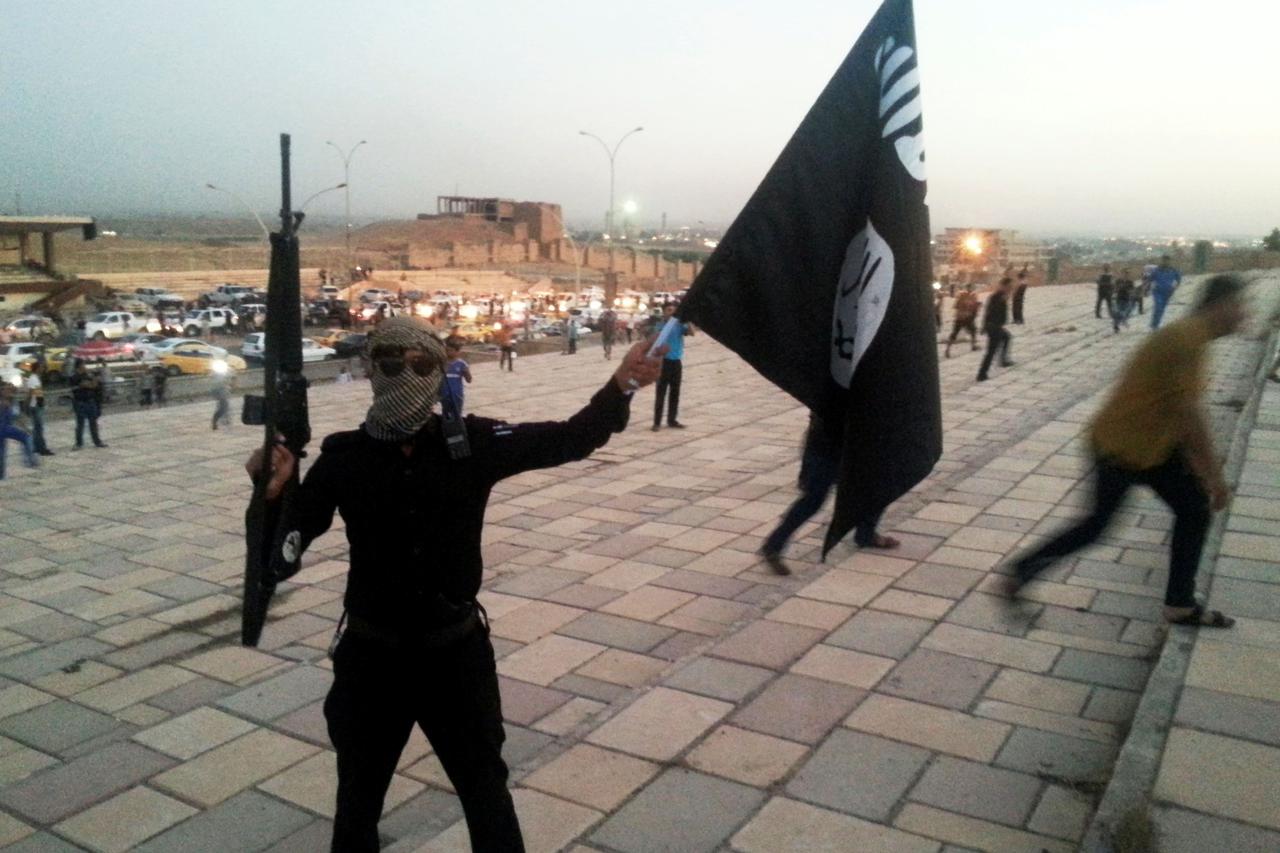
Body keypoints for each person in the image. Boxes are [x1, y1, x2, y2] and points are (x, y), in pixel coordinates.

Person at [244, 316, 664, 853]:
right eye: (391, 362)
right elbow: (281, 558)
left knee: (485, 791)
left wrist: (621, 384)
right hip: (373, 661)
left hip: (454, 655)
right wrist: (271, 496)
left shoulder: (473, 444)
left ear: (439, 371)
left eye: (420, 364)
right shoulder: (342, 461)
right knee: (358, 802)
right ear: (371, 369)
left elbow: (571, 438)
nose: (405, 373)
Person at [1004, 275, 1248, 628]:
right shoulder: (1187, 339)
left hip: (1145, 446)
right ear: (1220, 305)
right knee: (1103, 525)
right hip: (1124, 448)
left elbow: (1177, 410)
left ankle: (1179, 602)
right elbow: (1189, 414)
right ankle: (1020, 572)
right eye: (1240, 306)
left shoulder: (1191, 337)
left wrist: (1197, 467)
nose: (1244, 315)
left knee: (1189, 510)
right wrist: (1215, 478)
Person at [759, 413, 900, 575]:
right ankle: (774, 544)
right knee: (814, 499)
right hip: (831, 446)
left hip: (837, 444)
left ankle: (866, 533)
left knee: (875, 485)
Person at [652, 304, 692, 431]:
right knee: (661, 392)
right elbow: (654, 340)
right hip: (663, 362)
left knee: (675, 392)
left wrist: (688, 320)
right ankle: (657, 422)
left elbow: (691, 333)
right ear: (664, 312)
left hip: (676, 362)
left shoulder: (680, 325)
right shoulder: (660, 325)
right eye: (669, 310)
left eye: (674, 310)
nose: (672, 312)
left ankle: (672, 420)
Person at [976, 278, 1015, 382]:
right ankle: (981, 374)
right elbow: (990, 311)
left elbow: (987, 312)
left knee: (1006, 337)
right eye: (1009, 287)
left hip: (995, 326)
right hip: (994, 327)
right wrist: (984, 326)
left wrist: (984, 326)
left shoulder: (997, 296)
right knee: (991, 351)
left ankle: (1003, 360)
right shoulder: (998, 296)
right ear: (1003, 286)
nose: (1010, 289)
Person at [70, 360, 107, 449]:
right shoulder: (75, 377)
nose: (85, 366)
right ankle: (79, 443)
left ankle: (97, 441)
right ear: (79, 366)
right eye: (83, 365)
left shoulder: (87, 375)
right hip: (80, 402)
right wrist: (94, 380)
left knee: (93, 423)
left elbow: (95, 386)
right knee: (80, 424)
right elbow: (89, 385)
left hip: (90, 401)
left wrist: (95, 376)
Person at [23, 361, 53, 456]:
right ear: (37, 368)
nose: (43, 369)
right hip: (35, 406)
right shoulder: (33, 379)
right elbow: (31, 393)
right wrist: (27, 405)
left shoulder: (35, 378)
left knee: (37, 428)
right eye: (41, 367)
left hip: (37, 405)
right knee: (39, 428)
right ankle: (42, 448)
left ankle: (36, 447)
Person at [944, 285, 981, 358]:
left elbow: (973, 308)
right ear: (967, 288)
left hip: (965, 318)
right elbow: (957, 306)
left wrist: (976, 306)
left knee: (973, 330)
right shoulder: (963, 296)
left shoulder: (972, 296)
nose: (970, 290)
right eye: (969, 288)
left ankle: (973, 345)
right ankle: (947, 349)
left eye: (971, 288)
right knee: (955, 334)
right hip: (961, 318)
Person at [1149, 254, 1182, 330]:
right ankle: (1154, 325)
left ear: (1169, 261)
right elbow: (1149, 279)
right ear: (1162, 261)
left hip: (1168, 293)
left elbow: (1179, 279)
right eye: (1164, 260)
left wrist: (1175, 287)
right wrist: (1144, 288)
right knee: (1158, 306)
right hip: (1157, 292)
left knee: (1162, 309)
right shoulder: (1157, 270)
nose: (1165, 262)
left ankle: (1155, 323)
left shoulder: (1173, 270)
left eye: (1167, 260)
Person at [443, 335, 472, 416]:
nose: (448, 352)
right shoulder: (442, 363)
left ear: (457, 352)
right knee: (446, 415)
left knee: (457, 415)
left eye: (451, 350)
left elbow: (469, 380)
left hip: (457, 395)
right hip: (444, 395)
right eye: (447, 350)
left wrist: (466, 372)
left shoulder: (462, 364)